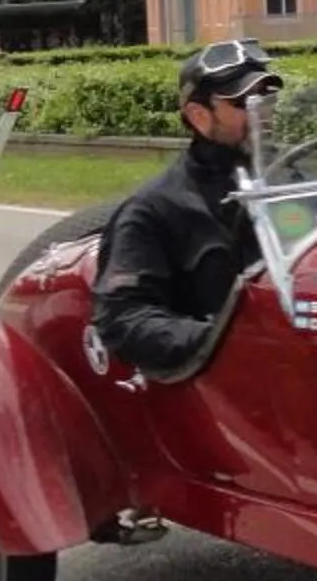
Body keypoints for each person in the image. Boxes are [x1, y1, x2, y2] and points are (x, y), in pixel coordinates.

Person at [91, 39, 283, 380]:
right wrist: (225, 338)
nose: (263, 110)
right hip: (225, 385)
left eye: (267, 97)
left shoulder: (294, 182)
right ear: (199, 116)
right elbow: (124, 318)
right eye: (245, 101)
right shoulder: (156, 208)